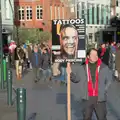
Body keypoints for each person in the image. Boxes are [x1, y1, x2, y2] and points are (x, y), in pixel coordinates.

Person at [67, 48, 113, 120]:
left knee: (102, 118)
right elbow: (76, 79)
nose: (95, 56)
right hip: (87, 98)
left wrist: (104, 90)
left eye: (96, 54)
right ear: (88, 56)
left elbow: (109, 80)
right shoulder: (82, 67)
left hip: (100, 99)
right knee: (86, 118)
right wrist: (70, 74)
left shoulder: (104, 67)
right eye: (93, 54)